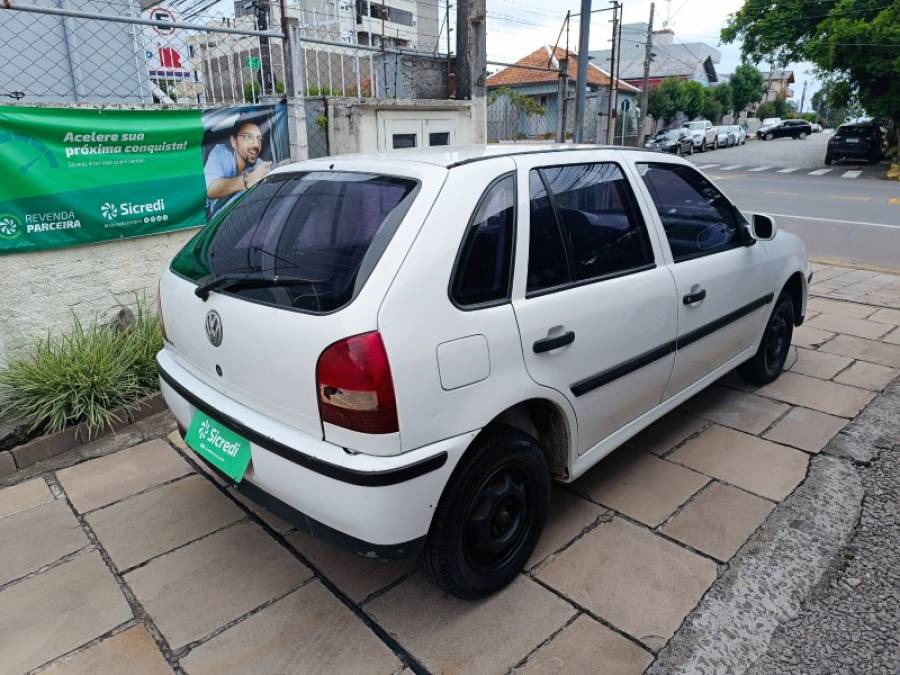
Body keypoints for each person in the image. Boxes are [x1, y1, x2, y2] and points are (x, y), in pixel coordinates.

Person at [204, 120, 272, 214]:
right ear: (233, 141)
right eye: (249, 137)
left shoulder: (261, 166)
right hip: (219, 218)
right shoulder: (221, 153)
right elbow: (210, 190)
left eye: (259, 139)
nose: (256, 144)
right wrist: (247, 180)